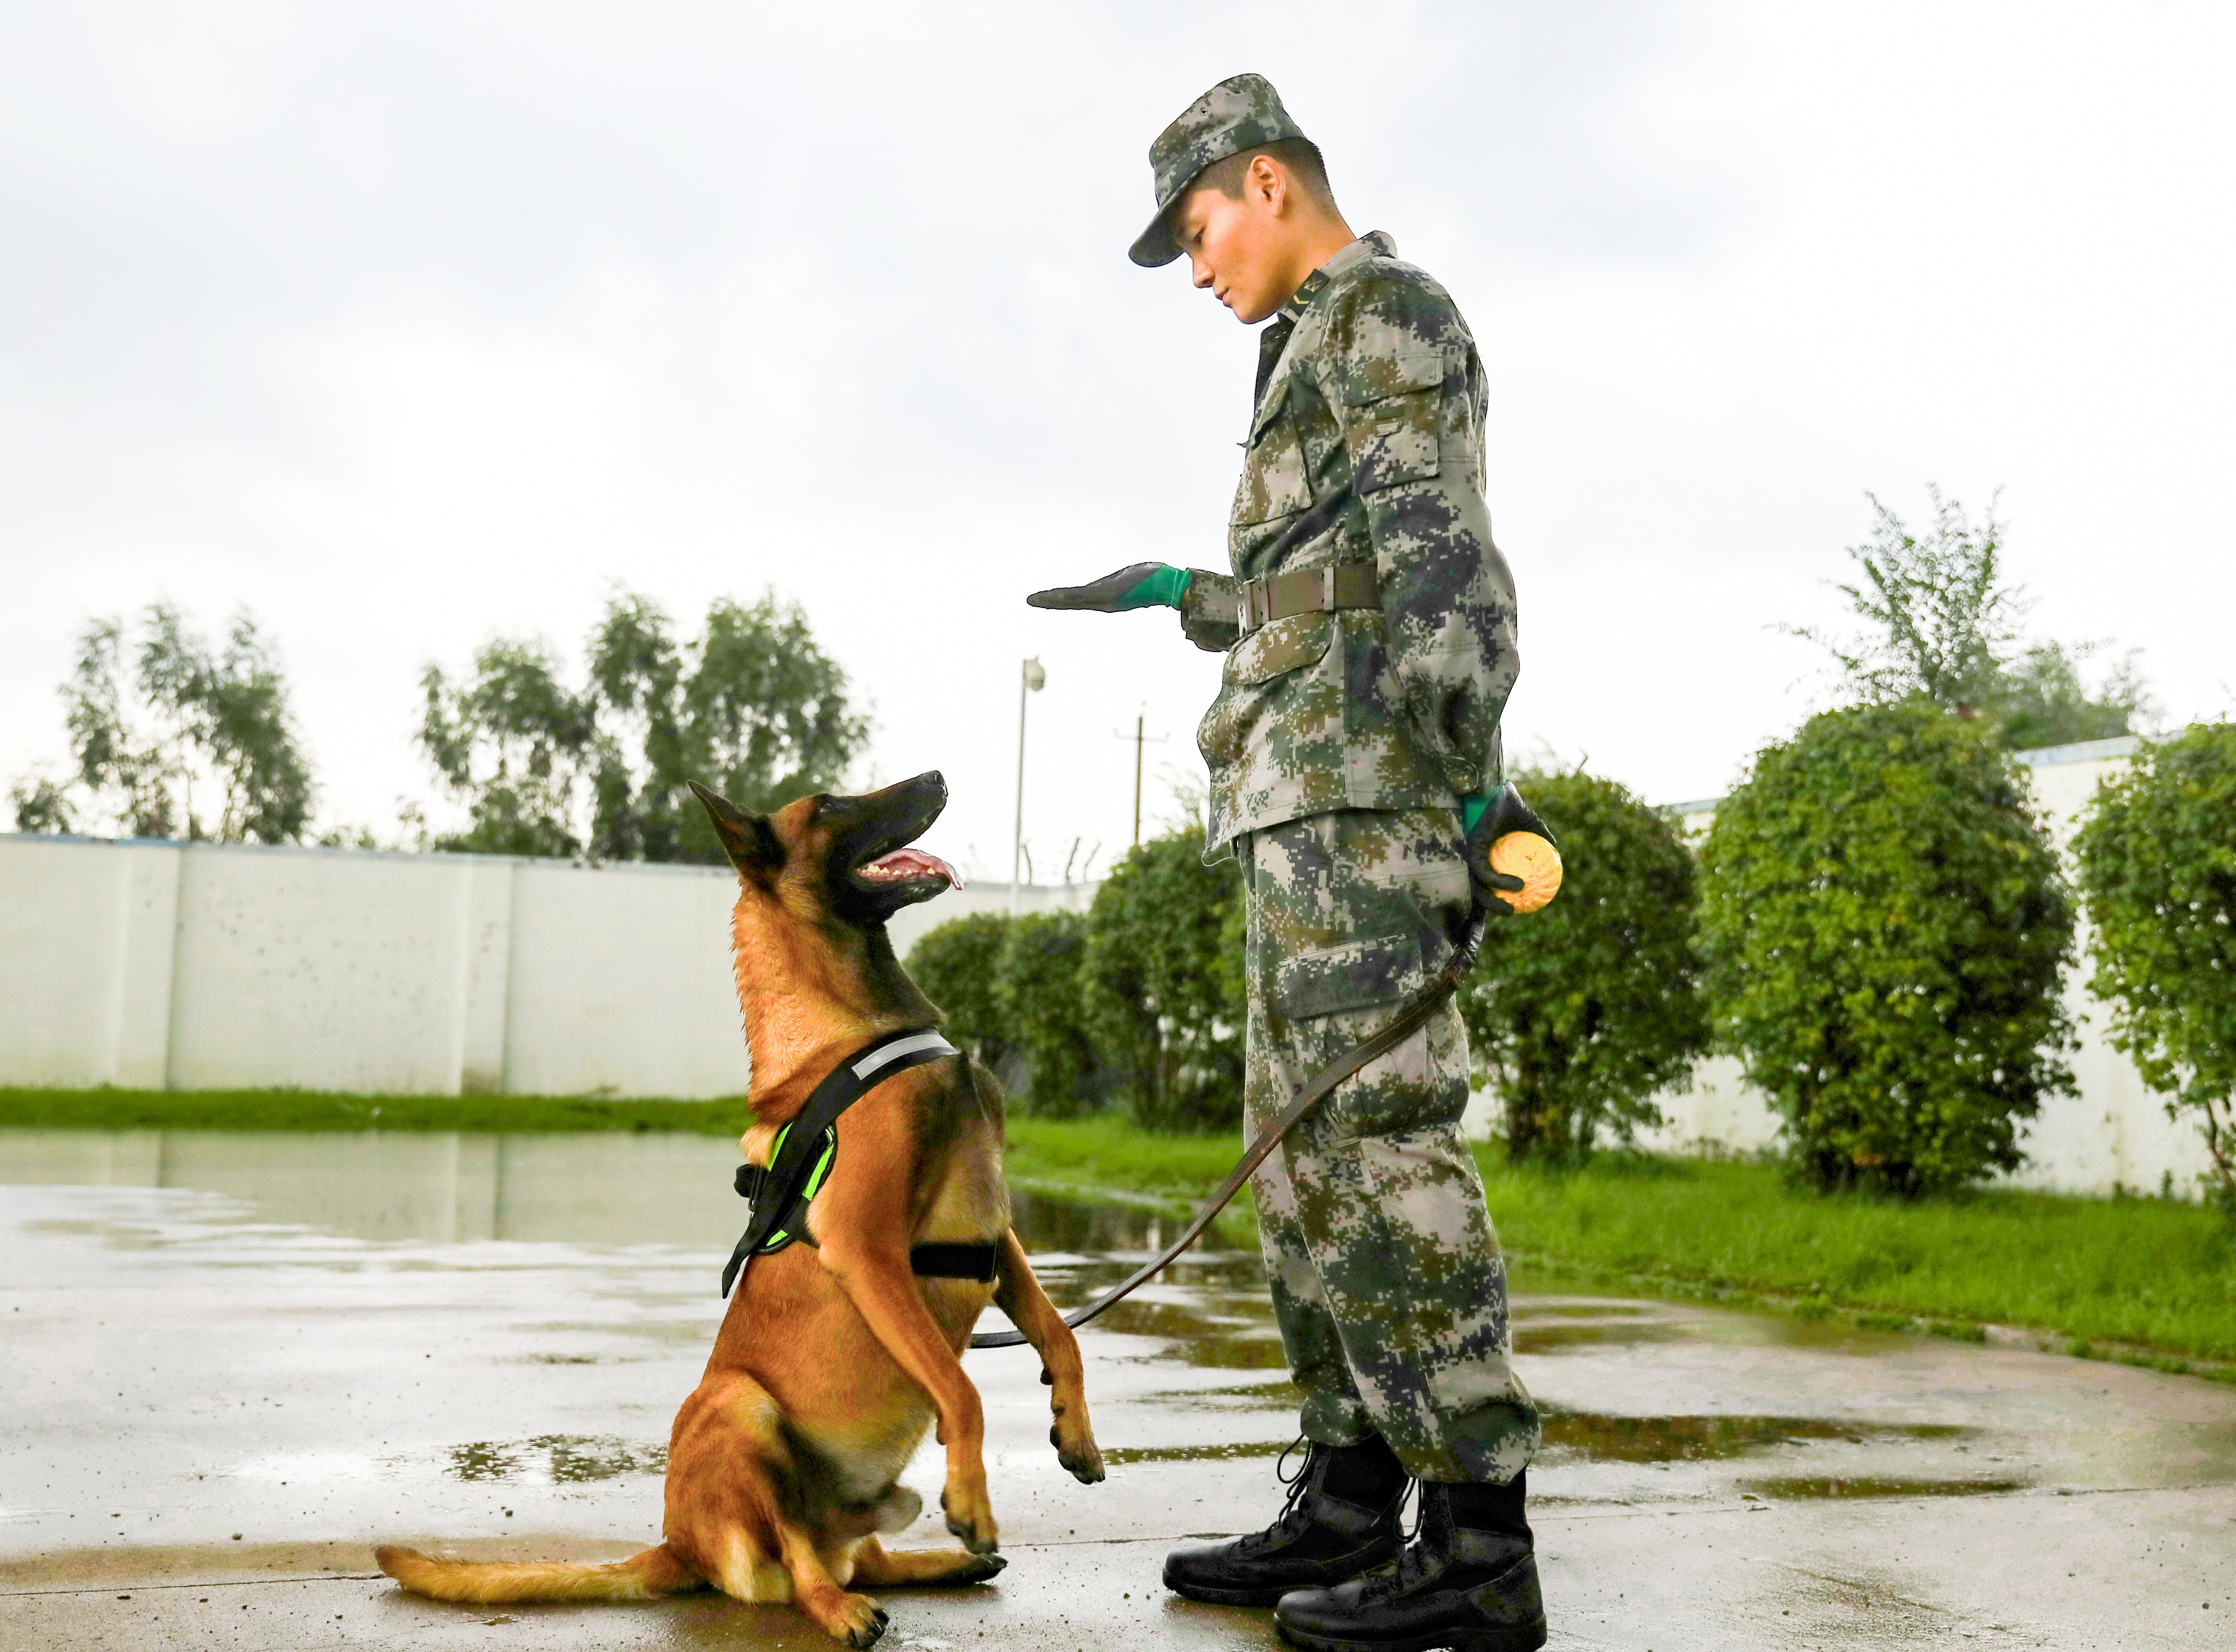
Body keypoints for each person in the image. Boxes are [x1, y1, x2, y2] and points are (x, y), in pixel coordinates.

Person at [1029, 72, 1552, 1652]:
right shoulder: (1307, 345)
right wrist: (1184, 590)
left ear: (1267, 182)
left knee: (1378, 1140)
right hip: (1296, 800)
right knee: (1299, 1157)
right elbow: (1320, 587)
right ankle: (1349, 1492)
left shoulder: (1384, 312)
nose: (1195, 268)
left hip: (1369, 799)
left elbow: (1443, 570)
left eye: (1197, 232)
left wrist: (1477, 795)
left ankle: (1478, 1542)